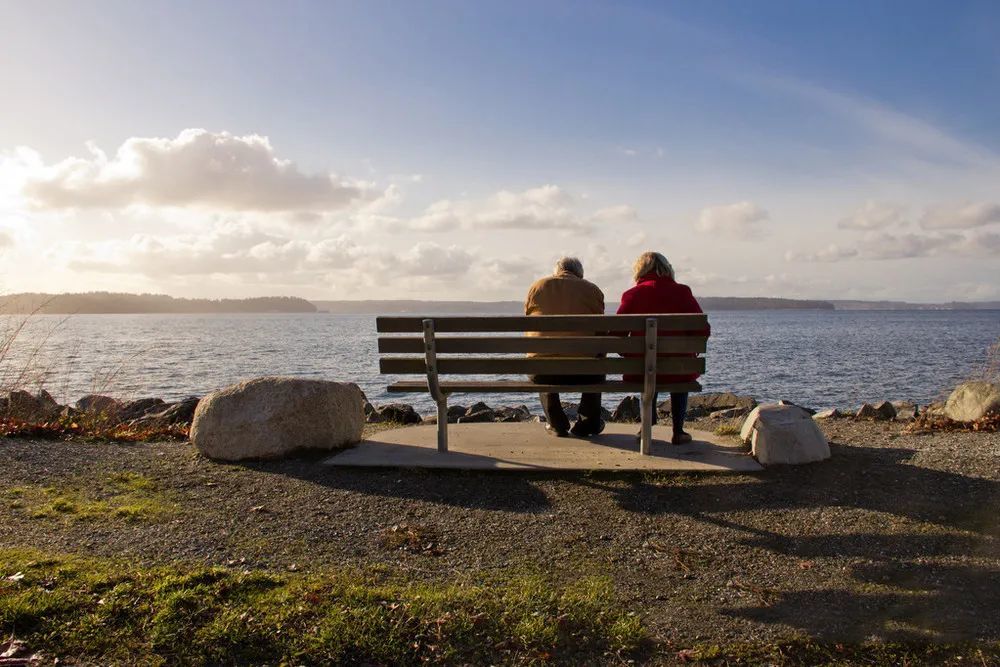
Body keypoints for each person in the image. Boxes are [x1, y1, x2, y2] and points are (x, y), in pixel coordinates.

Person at [617, 251, 710, 444]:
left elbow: (617, 336)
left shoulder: (632, 295)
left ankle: (646, 425)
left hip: (639, 370)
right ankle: (678, 431)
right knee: (679, 368)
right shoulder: (682, 292)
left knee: (647, 366)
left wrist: (630, 354)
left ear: (640, 271)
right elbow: (702, 330)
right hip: (679, 370)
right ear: (667, 269)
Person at [525, 257, 606, 437]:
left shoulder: (537, 287)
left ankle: (556, 423)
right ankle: (587, 423)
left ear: (557, 271)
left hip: (543, 372)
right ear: (580, 274)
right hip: (584, 372)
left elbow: (529, 317)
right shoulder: (592, 289)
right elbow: (601, 330)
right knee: (598, 361)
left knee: (541, 360)